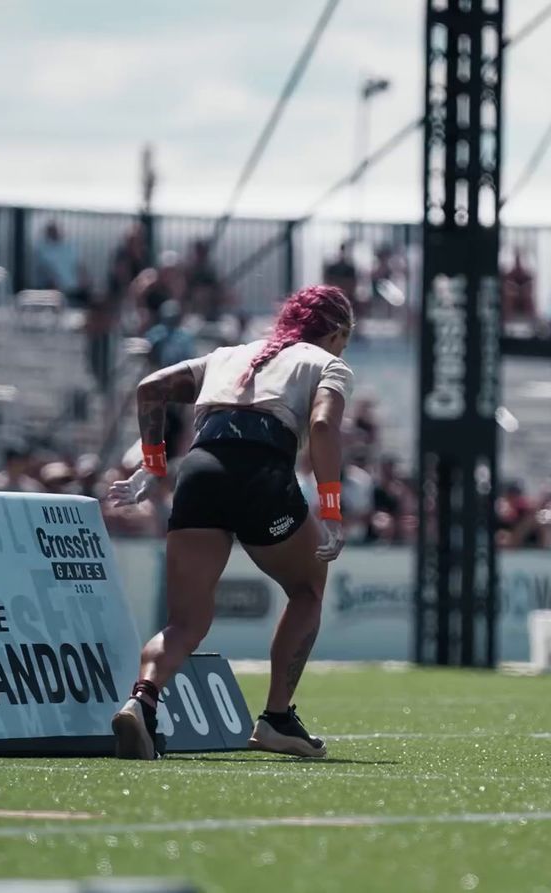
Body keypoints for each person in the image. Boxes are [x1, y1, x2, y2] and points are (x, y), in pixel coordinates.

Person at [107, 284, 356, 760]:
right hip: (261, 470)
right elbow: (323, 426)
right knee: (307, 590)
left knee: (185, 623)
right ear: (337, 331)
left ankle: (142, 701)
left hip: (200, 470)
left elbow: (150, 389)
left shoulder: (228, 355)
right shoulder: (326, 363)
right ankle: (277, 719)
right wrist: (331, 510)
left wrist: (153, 467)